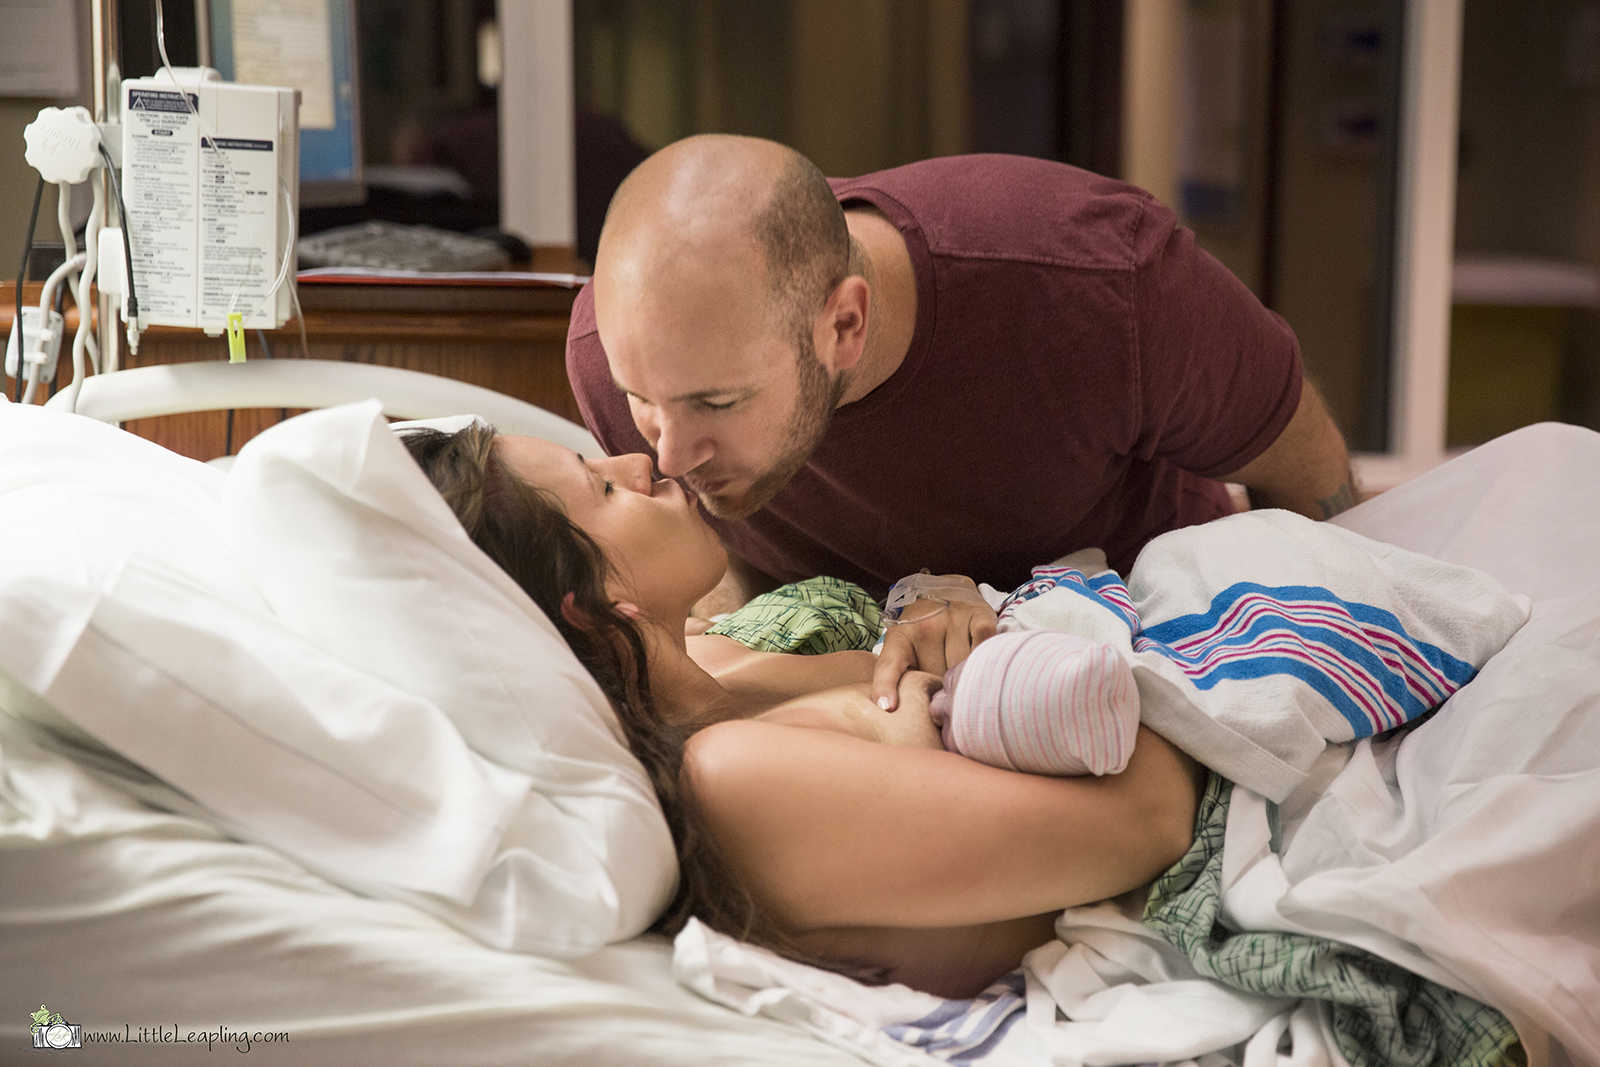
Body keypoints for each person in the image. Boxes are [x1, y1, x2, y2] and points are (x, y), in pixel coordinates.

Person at [400, 423, 1206, 999]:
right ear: (595, 606)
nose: (640, 461)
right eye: (603, 487)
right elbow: (1158, 820)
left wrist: (943, 605)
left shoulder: (721, 657)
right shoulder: (731, 776)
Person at [565, 134, 1358, 707]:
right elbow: (728, 579)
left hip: (1163, 648)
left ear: (844, 325)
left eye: (717, 402)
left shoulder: (1097, 288)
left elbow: (1312, 485)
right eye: (645, 400)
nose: (665, 455)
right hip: (889, 689)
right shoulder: (614, 358)